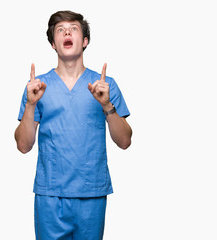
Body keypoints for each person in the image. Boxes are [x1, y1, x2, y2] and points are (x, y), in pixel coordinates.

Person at [14, 10, 132, 240]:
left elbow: (125, 141)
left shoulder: (105, 86)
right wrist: (30, 105)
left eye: (74, 28)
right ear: (53, 44)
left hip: (91, 194)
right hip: (50, 197)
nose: (67, 32)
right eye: (60, 30)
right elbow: (23, 145)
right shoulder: (37, 88)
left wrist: (107, 105)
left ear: (85, 41)